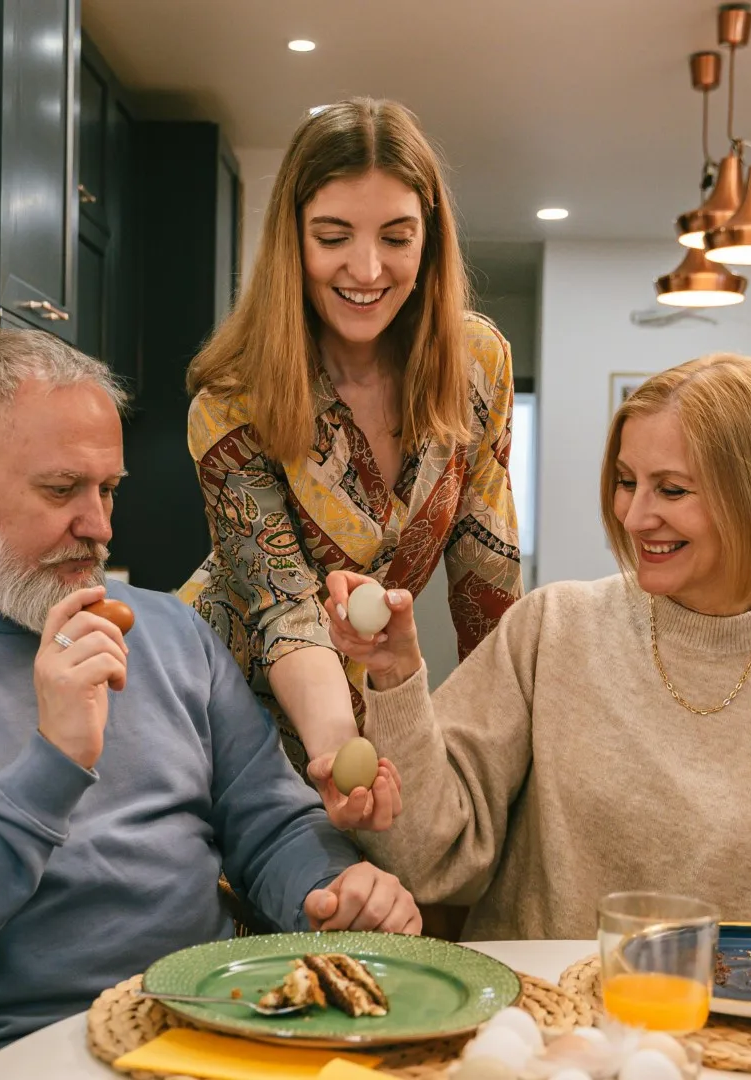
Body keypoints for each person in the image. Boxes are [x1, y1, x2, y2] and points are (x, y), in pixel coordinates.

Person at [0, 329, 420, 1080]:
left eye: (108, 490)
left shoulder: (171, 634)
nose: (100, 525)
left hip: (211, 1041)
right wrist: (53, 763)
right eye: (61, 488)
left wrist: (332, 889)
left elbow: (271, 825)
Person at [322, 353, 751, 944]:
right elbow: (429, 855)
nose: (635, 516)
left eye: (671, 490)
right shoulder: (551, 629)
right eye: (626, 482)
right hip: (535, 1020)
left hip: (732, 1035)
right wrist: (395, 673)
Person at [180, 97, 523, 829]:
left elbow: (487, 577)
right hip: (226, 705)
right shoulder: (231, 400)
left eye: (397, 237)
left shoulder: (478, 364)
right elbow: (285, 609)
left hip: (369, 701)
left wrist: (508, 756)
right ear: (292, 240)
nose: (367, 269)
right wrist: (340, 750)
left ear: (429, 240)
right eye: (333, 237)